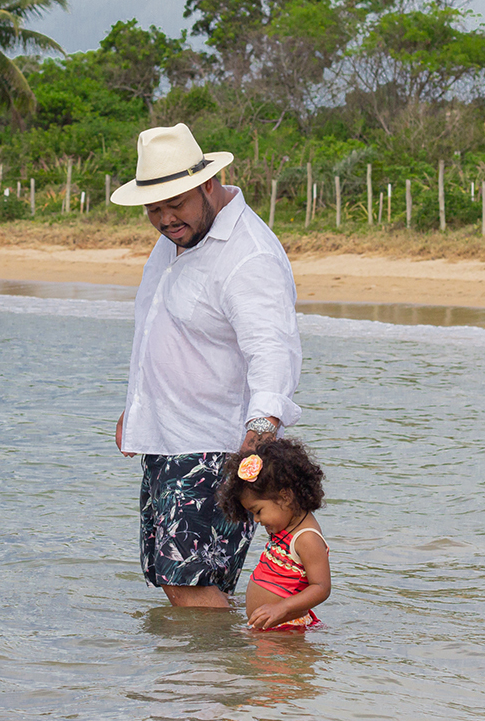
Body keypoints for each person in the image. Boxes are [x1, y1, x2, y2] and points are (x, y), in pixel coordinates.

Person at [111, 122, 302, 609]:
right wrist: (136, 408)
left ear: (208, 186)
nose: (165, 218)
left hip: (215, 449)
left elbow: (272, 351)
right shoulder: (177, 238)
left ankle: (219, 678)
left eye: (176, 204)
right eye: (154, 208)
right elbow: (162, 327)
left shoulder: (247, 255)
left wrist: (253, 447)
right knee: (173, 579)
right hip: (168, 438)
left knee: (189, 584)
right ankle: (216, 678)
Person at [218, 439, 330, 630]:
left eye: (258, 511)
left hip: (286, 628)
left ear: (285, 497)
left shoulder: (306, 538)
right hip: (271, 627)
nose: (256, 520)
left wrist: (282, 607)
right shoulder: (286, 528)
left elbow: (321, 587)